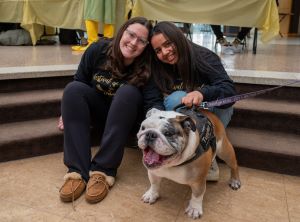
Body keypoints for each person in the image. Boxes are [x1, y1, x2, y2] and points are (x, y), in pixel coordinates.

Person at [59, 16, 153, 204]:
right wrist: (67, 111)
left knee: (128, 92)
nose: (133, 43)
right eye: (131, 34)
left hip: (126, 120)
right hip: (99, 112)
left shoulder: (149, 65)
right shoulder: (98, 49)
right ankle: (77, 171)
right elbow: (80, 81)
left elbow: (151, 101)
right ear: (122, 32)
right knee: (73, 89)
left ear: (146, 46)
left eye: (141, 40)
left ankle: (103, 170)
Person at [143, 21, 236, 181]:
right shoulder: (157, 67)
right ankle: (181, 151)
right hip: (182, 115)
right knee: (175, 99)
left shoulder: (204, 57)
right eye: (158, 50)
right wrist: (155, 116)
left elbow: (229, 90)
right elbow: (153, 98)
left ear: (179, 38)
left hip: (211, 110)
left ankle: (208, 151)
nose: (165, 52)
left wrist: (202, 93)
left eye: (168, 44)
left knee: (224, 104)